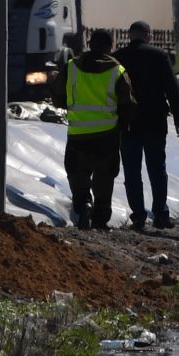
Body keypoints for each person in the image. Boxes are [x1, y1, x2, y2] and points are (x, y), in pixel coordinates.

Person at [50, 27, 134, 230]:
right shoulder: (118, 70)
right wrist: (124, 126)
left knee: (77, 172)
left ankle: (83, 204)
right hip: (107, 134)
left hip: (78, 133)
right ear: (110, 47)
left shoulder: (71, 66)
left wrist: (70, 106)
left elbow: (57, 96)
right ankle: (101, 215)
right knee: (104, 176)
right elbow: (127, 104)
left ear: (89, 44)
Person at [114, 20, 179, 229]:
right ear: (148, 35)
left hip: (128, 122)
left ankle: (138, 215)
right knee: (157, 168)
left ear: (130, 36)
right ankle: (161, 214)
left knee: (131, 171)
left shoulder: (118, 57)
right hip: (155, 120)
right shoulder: (159, 56)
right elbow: (172, 88)